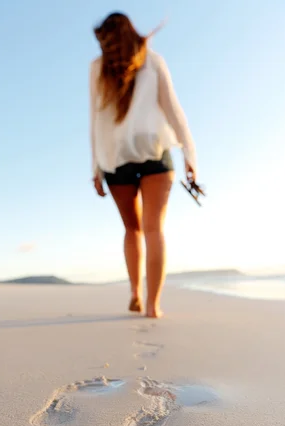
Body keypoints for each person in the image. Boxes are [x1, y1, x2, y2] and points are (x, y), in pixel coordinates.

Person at [90, 12, 197, 318]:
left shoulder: (102, 66)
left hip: (115, 157)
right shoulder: (149, 61)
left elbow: (95, 121)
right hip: (152, 154)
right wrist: (190, 155)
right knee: (152, 230)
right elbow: (174, 110)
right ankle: (152, 306)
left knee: (133, 229)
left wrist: (96, 166)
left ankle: (138, 295)